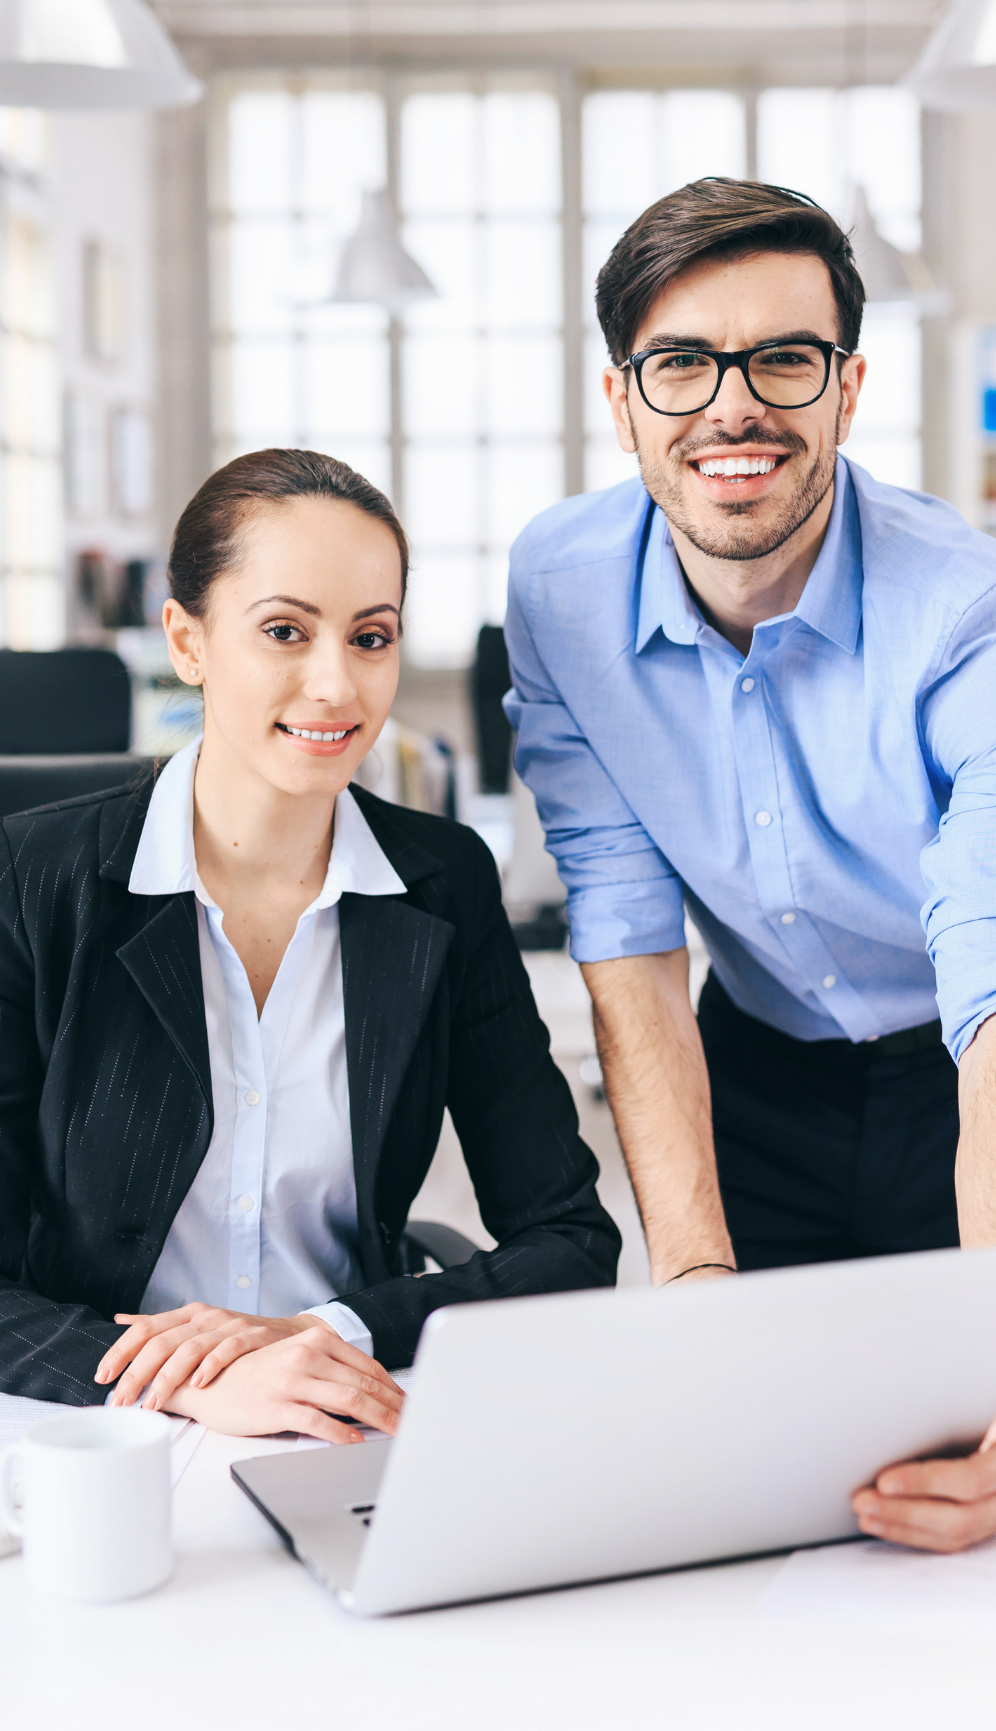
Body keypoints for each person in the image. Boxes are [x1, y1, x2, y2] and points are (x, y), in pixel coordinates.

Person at [504, 177, 996, 1551]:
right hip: (755, 1073)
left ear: (847, 384)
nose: (732, 406)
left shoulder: (986, 618)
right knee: (763, 1501)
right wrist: (692, 1274)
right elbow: (629, 941)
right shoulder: (558, 589)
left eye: (783, 359)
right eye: (682, 363)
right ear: (621, 397)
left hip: (983, 1076)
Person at [0, 449, 619, 1442]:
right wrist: (192, 1382)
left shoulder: (440, 882)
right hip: (96, 1433)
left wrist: (320, 1333)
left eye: (370, 637)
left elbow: (571, 1241)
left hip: (337, 1413)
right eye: (284, 631)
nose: (335, 684)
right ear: (187, 641)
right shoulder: (33, 880)